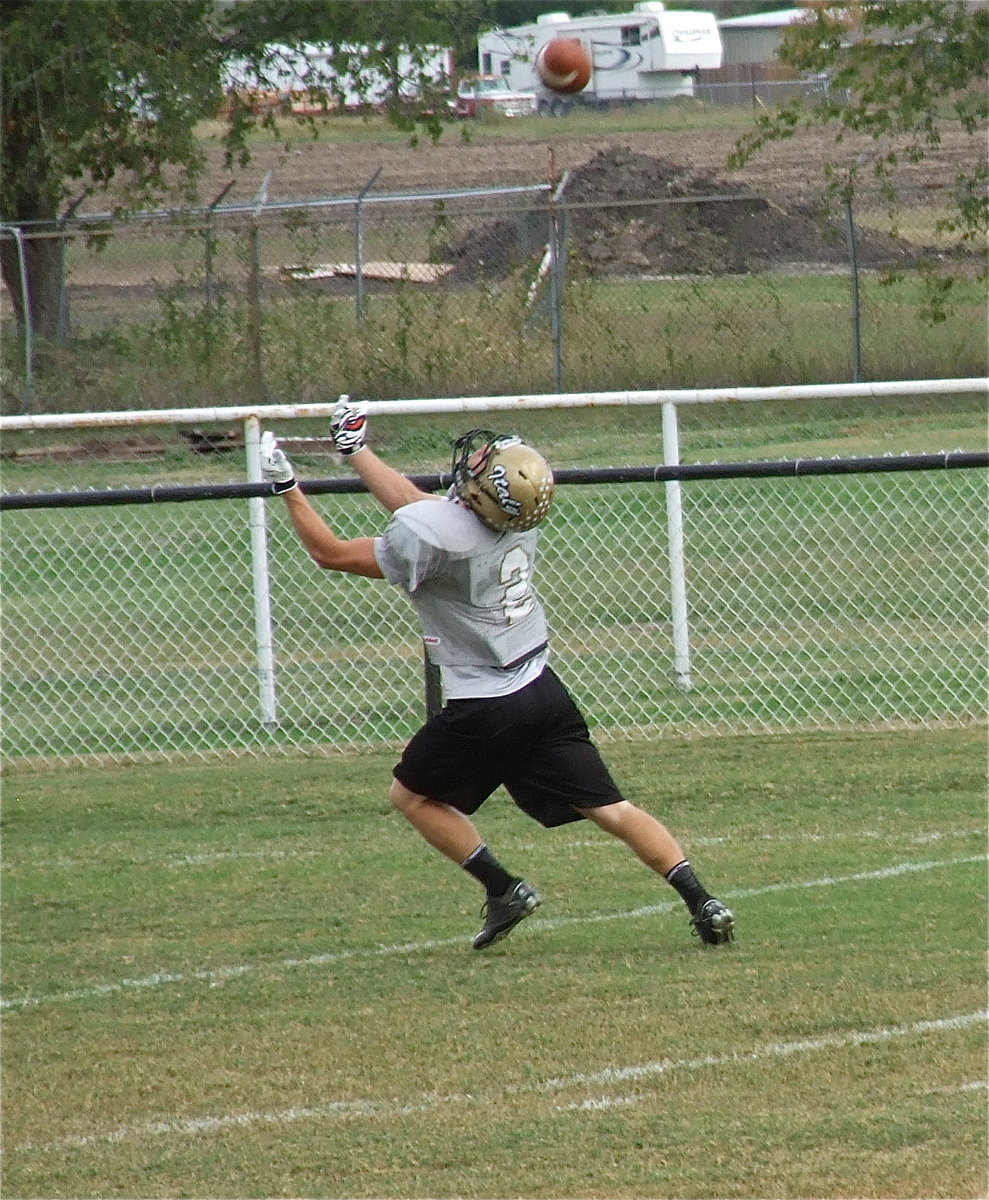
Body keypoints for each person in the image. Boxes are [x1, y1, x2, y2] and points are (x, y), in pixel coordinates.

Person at [260, 401, 734, 951]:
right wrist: (355, 451)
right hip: (541, 687)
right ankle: (702, 900)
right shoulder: (514, 520)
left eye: (485, 467)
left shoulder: (442, 539)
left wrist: (287, 487)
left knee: (411, 797)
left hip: (486, 702)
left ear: (484, 496)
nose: (476, 462)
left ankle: (503, 888)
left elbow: (332, 554)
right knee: (613, 809)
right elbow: (419, 505)